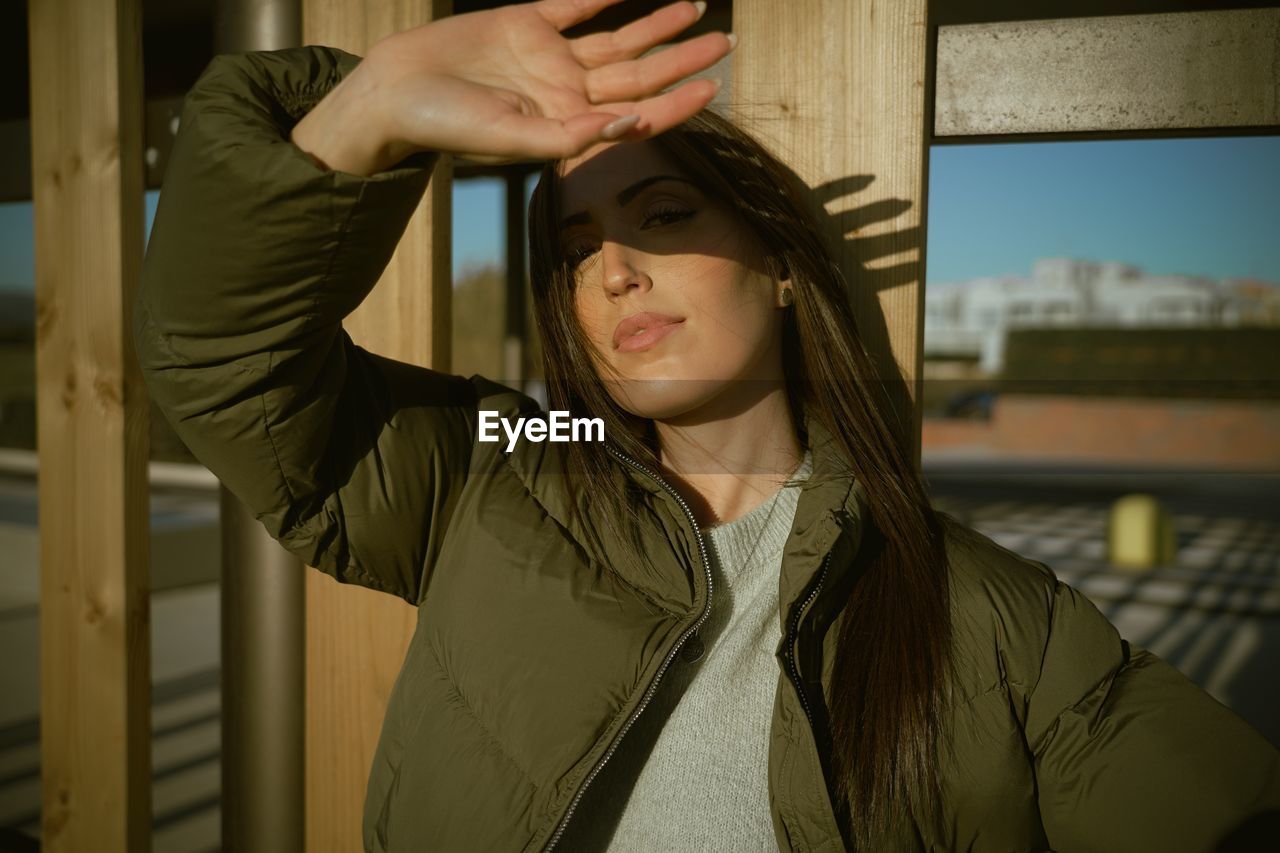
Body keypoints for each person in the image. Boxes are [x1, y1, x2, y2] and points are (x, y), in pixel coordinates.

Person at [133, 0, 1280, 850]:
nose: (614, 272)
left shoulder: (996, 619)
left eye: (662, 214)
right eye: (575, 253)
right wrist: (365, 111)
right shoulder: (511, 471)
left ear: (780, 268)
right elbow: (225, 359)